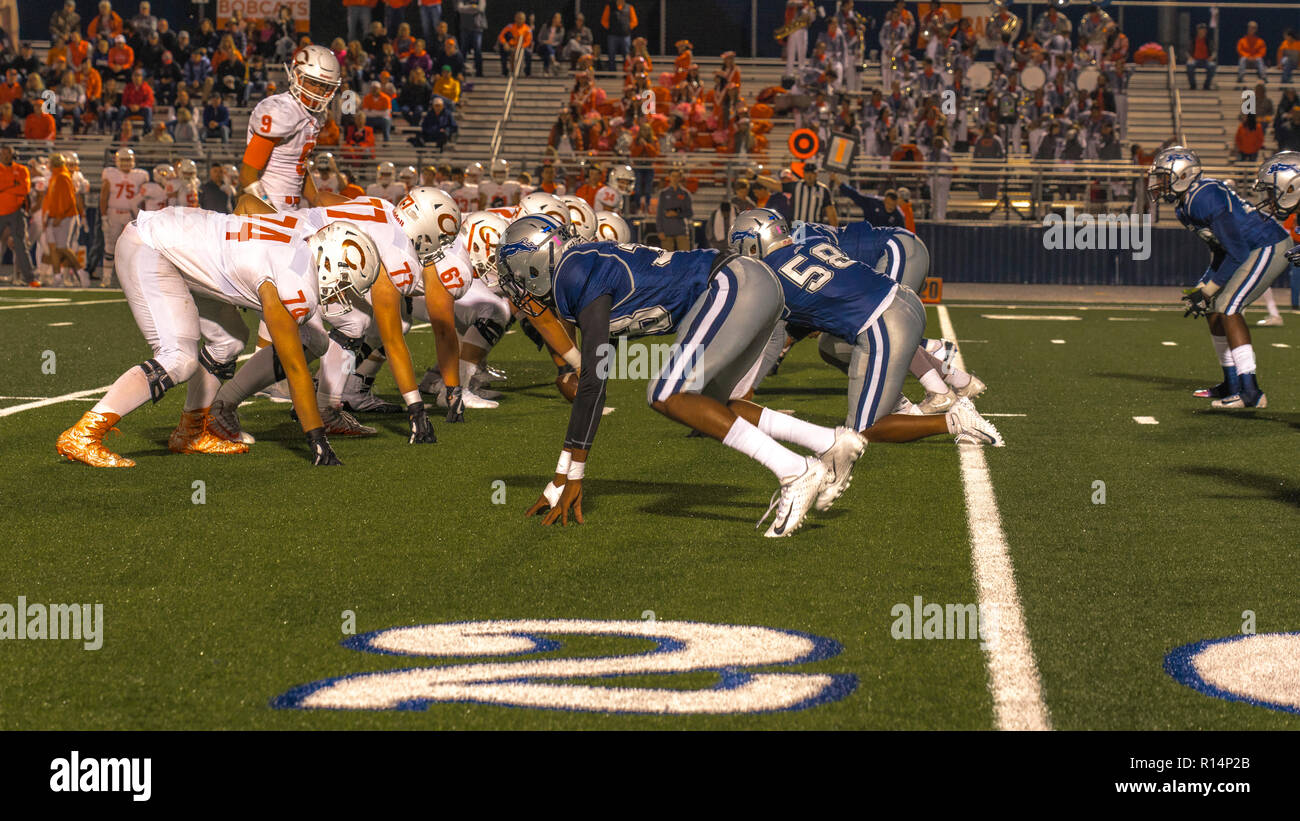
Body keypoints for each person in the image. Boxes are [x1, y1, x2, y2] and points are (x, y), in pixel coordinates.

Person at [497, 214, 857, 537]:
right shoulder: (583, 267)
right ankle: (830, 442)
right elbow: (601, 365)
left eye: (514, 269)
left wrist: (572, 475)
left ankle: (794, 470)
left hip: (732, 283)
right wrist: (559, 480)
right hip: (750, 283)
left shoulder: (574, 273)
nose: (515, 284)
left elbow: (593, 383)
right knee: (709, 405)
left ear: (536, 260)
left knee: (664, 393)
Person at [56, 213, 380, 468]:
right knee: (178, 358)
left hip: (179, 243)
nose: (342, 293)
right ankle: (84, 434)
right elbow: (295, 366)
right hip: (152, 247)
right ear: (326, 263)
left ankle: (191, 432)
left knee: (228, 340)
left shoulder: (303, 236)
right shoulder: (294, 282)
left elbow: (250, 206)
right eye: (343, 282)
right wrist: (317, 439)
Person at [1150, 147, 1292, 409]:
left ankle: (1251, 391)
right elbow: (1221, 249)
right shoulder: (1185, 206)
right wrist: (1203, 287)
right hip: (1249, 249)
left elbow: (1237, 251)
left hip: (1267, 245)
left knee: (1228, 306)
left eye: (1163, 177)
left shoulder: (1204, 197)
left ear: (1182, 175)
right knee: (1213, 309)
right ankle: (1231, 383)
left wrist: (1208, 289)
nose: (1159, 183)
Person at [0, 145, 34, 285]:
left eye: (9, 153)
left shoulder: (21, 169)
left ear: (13, 155)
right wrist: (13, 184)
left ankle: (30, 278)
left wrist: (5, 188)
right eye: (4, 153)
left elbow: (24, 188)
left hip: (16, 212)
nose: (6, 156)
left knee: (21, 246)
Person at [656, 167, 692, 250]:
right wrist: (660, 230)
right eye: (673, 176)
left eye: (677, 176)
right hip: (666, 231)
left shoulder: (685, 193)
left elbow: (690, 213)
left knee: (685, 256)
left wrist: (677, 214)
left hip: (681, 230)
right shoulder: (663, 193)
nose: (675, 178)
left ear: (680, 178)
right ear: (669, 177)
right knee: (667, 258)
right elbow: (659, 213)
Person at [601, 1, 637, 73]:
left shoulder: (629, 7)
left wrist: (628, 27)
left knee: (626, 55)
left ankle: (626, 73)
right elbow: (604, 20)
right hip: (612, 35)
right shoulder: (609, 7)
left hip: (625, 36)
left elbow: (634, 21)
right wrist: (610, 27)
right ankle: (612, 72)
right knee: (611, 54)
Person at [497, 11, 532, 77]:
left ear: (524, 19)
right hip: (510, 46)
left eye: (521, 18)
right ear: (515, 18)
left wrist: (519, 48)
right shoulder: (510, 27)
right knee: (503, 51)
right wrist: (505, 43)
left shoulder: (527, 29)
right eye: (518, 18)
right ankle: (505, 72)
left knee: (528, 54)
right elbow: (501, 36)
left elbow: (528, 41)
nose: (519, 20)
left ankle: (527, 73)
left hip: (522, 47)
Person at [456, 1, 486, 78]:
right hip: (464, 28)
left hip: (477, 28)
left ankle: (479, 72)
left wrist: (467, 8)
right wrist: (473, 7)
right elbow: (460, 9)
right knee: (463, 50)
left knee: (478, 50)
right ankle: (461, 71)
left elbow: (480, 9)